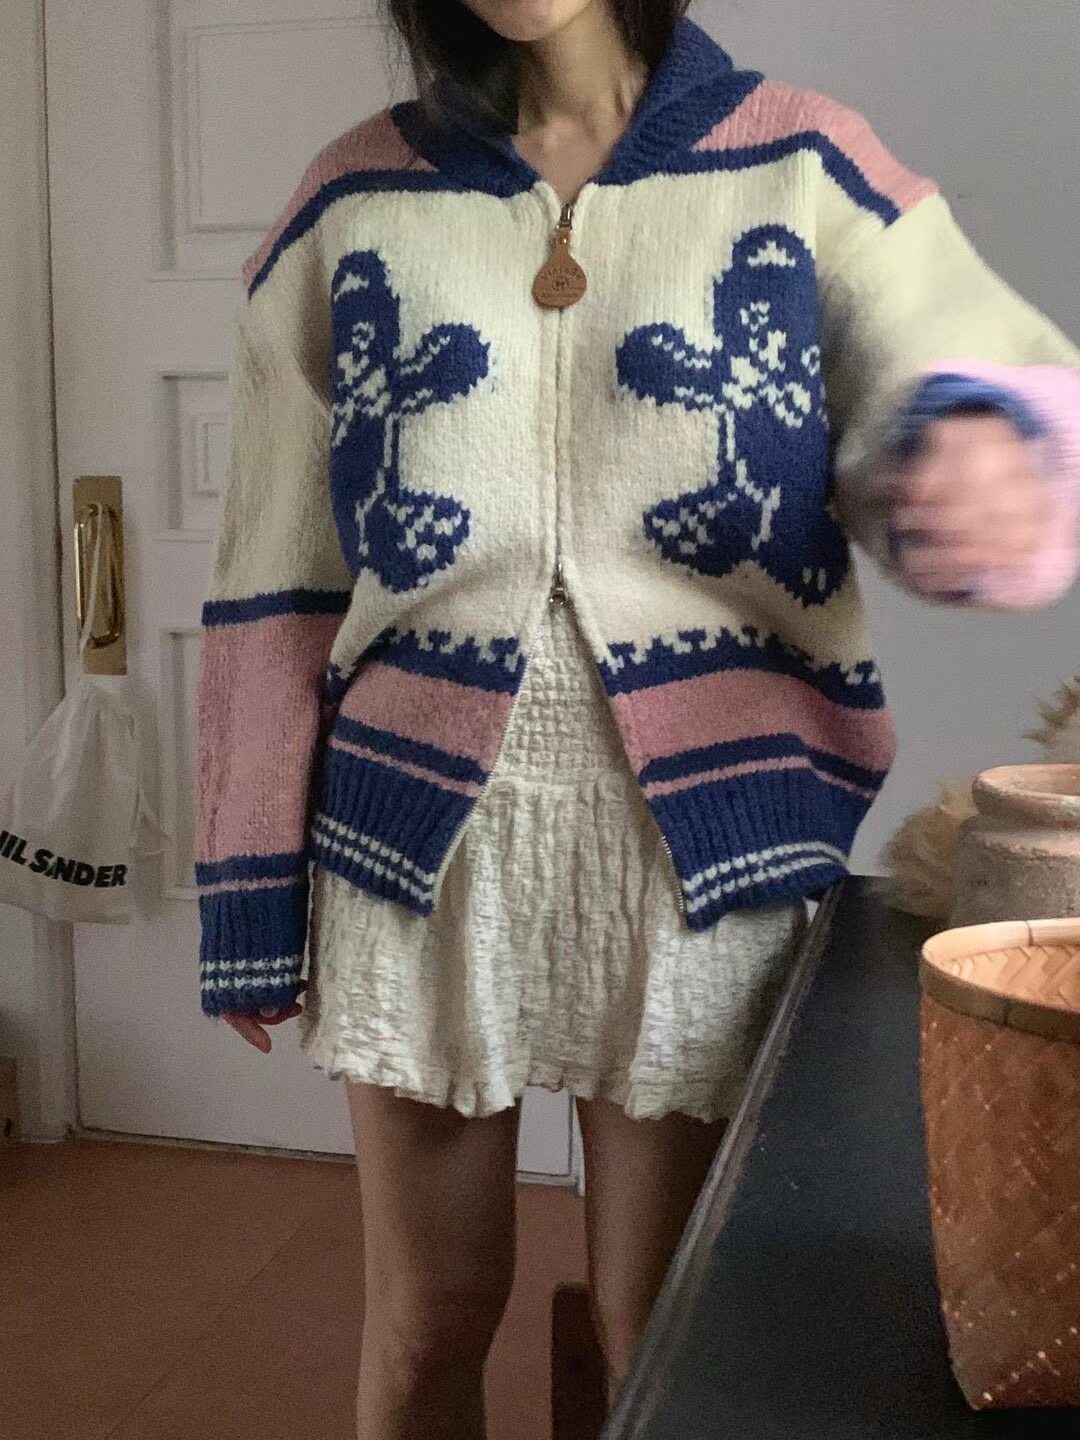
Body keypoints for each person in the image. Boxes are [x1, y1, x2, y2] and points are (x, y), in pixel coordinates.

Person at [193, 0, 1080, 1434]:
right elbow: (273, 572)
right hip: (423, 851)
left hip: (701, 857)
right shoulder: (352, 201)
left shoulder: (800, 163)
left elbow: (963, 359)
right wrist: (247, 880)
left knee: (665, 1327)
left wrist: (980, 453)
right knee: (427, 1319)